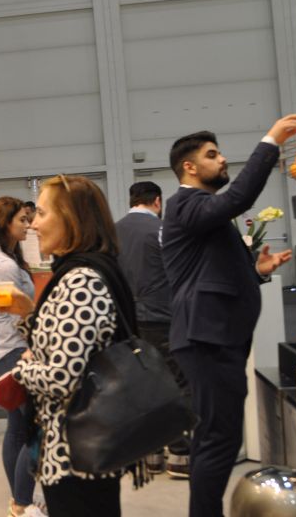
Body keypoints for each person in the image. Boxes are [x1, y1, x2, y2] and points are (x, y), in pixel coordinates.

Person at [162, 114, 296, 517]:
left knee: (216, 435)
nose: (222, 159)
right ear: (189, 167)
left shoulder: (198, 211)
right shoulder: (185, 204)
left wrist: (254, 271)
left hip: (215, 336)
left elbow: (204, 271)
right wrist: (270, 141)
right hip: (205, 337)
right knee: (218, 438)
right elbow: (238, 198)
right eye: (212, 155)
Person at [1, 175, 138, 517]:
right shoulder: (78, 273)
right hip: (78, 450)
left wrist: (21, 369)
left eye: (42, 213)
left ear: (73, 219)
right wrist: (29, 314)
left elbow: (61, 377)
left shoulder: (81, 281)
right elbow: (63, 344)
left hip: (74, 454)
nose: (33, 225)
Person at [115, 181, 190, 477]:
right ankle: (180, 454)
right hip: (162, 315)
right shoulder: (161, 230)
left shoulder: (114, 231)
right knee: (175, 381)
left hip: (128, 319)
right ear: (157, 201)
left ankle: (152, 454)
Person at [0, 197, 43, 516]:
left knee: (18, 427)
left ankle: (19, 499)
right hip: (15, 350)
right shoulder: (2, 264)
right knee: (33, 429)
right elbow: (14, 311)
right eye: (22, 220)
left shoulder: (2, 258)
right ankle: (22, 502)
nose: (28, 225)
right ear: (5, 224)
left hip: (8, 347)